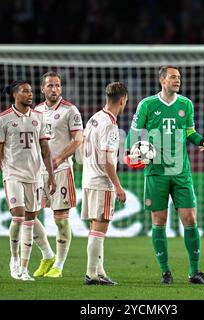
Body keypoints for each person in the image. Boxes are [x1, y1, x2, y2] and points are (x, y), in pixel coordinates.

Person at [125, 66, 204, 285]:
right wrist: (130, 152)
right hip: (156, 172)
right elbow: (135, 132)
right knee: (158, 221)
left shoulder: (185, 104)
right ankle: (165, 272)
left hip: (181, 172)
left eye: (179, 77)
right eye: (172, 77)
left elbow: (189, 132)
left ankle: (194, 272)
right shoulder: (147, 104)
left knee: (190, 219)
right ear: (162, 80)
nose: (177, 80)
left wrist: (203, 141)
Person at [0, 80, 56, 281]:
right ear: (15, 95)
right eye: (25, 91)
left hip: (34, 176)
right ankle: (14, 259)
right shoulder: (3, 118)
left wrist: (50, 175)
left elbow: (45, 150)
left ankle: (24, 269)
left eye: (31, 91)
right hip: (12, 174)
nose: (30, 94)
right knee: (18, 217)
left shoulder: (39, 117)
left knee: (30, 221)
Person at [34, 71, 83, 278]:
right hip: (37, 172)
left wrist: (59, 158)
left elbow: (78, 139)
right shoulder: (35, 111)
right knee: (27, 216)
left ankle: (59, 266)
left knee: (60, 220)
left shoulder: (70, 110)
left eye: (57, 86)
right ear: (42, 89)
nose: (54, 89)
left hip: (61, 170)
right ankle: (47, 255)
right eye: (50, 86)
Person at [81, 82, 128, 285]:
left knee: (95, 226)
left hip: (88, 178)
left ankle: (99, 271)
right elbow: (106, 160)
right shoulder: (110, 125)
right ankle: (91, 274)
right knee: (100, 227)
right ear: (122, 100)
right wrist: (117, 186)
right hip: (102, 182)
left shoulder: (94, 119)